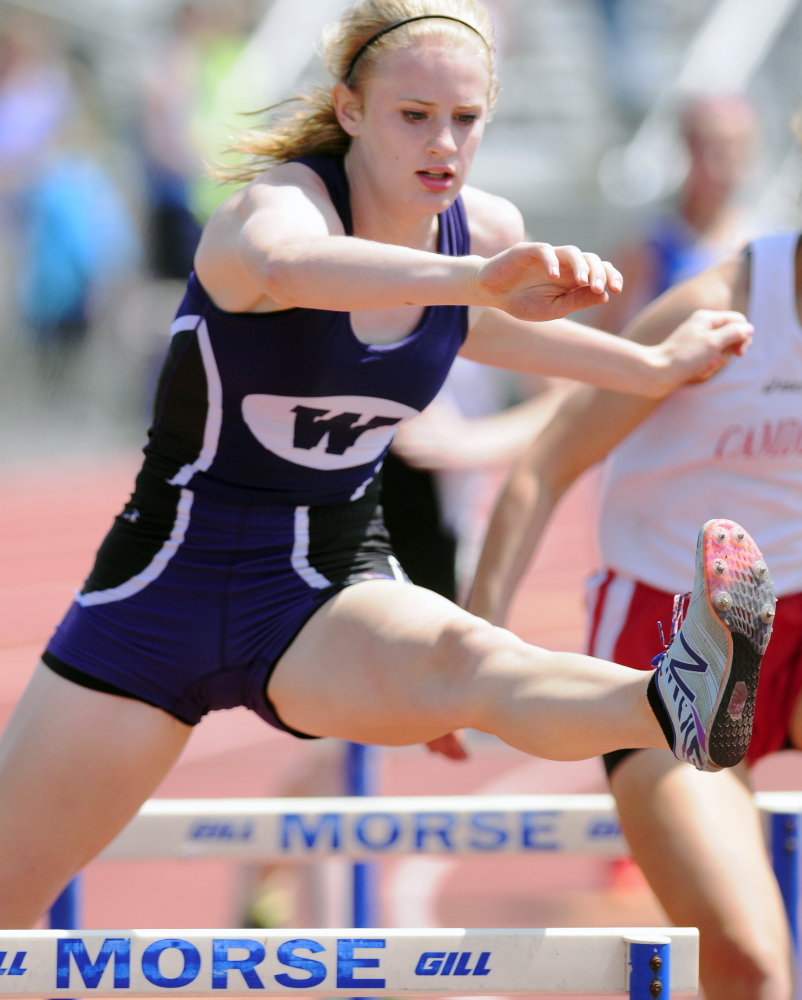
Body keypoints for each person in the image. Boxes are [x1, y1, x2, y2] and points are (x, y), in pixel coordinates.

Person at [0, 0, 771, 929]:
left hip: (322, 590)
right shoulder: (276, 206)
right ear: (351, 109)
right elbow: (293, 270)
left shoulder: (482, 232)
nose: (444, 142)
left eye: (468, 118)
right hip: (157, 597)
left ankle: (672, 700)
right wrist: (475, 280)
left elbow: (486, 328)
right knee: (7, 905)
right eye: (414, 115)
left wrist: (647, 365)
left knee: (472, 660)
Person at [467, 229, 802, 1000]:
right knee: (748, 962)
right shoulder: (722, 308)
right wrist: (476, 653)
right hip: (675, 638)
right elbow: (543, 466)